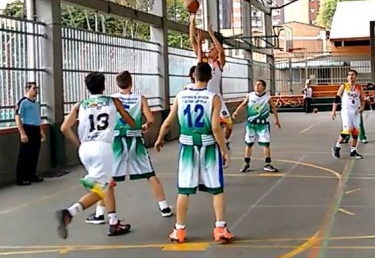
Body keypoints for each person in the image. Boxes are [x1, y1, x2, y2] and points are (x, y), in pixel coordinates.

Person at [154, 62, 234, 243]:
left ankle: (179, 230)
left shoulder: (181, 96)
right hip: (208, 147)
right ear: (210, 77)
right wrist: (224, 150)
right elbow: (215, 127)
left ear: (193, 76)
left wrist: (159, 138)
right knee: (216, 189)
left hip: (187, 147)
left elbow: (167, 121)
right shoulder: (213, 98)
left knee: (184, 190)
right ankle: (220, 228)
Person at [84, 71, 172, 225]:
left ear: (117, 84)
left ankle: (100, 214)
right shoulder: (140, 99)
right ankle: (164, 207)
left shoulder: (111, 99)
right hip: (135, 140)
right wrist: (145, 125)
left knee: (107, 179)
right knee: (150, 175)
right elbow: (150, 119)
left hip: (116, 142)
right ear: (131, 82)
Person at [56, 73, 136, 239]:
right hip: (102, 148)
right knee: (102, 189)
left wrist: (79, 144)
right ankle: (70, 212)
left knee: (107, 184)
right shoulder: (113, 101)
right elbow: (130, 121)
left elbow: (64, 128)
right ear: (104, 86)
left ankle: (113, 222)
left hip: (85, 149)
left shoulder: (80, 105)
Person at [189, 16, 233, 144]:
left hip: (216, 96)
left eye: (212, 48)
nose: (210, 49)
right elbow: (192, 41)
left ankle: (224, 142)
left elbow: (221, 51)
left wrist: (211, 34)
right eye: (209, 48)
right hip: (204, 97)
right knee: (207, 126)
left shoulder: (219, 63)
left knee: (229, 126)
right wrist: (192, 21)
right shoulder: (202, 61)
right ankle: (212, 144)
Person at [233, 79, 281, 173]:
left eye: (259, 85)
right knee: (249, 143)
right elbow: (243, 104)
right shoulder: (250, 96)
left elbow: (274, 108)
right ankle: (246, 163)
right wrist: (236, 112)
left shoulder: (267, 97)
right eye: (256, 84)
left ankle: (268, 163)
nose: (257, 86)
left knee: (266, 144)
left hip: (263, 124)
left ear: (263, 87)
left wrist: (276, 120)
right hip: (251, 124)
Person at [14, 82, 45, 186]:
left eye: (36, 88)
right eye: (34, 88)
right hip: (27, 128)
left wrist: (41, 131)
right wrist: (22, 133)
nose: (36, 90)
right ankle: (21, 178)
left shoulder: (36, 103)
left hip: (35, 129)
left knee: (34, 153)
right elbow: (17, 117)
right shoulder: (23, 102)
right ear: (27, 89)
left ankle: (32, 175)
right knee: (24, 155)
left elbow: (37, 118)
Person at [331, 69, 364, 159]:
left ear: (356, 76)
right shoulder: (343, 86)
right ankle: (337, 147)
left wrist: (362, 107)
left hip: (355, 111)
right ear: (347, 77)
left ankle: (353, 151)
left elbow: (362, 99)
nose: (350, 76)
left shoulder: (359, 87)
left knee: (355, 131)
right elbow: (336, 99)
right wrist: (333, 111)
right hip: (346, 111)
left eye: (352, 74)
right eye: (349, 75)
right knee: (347, 130)